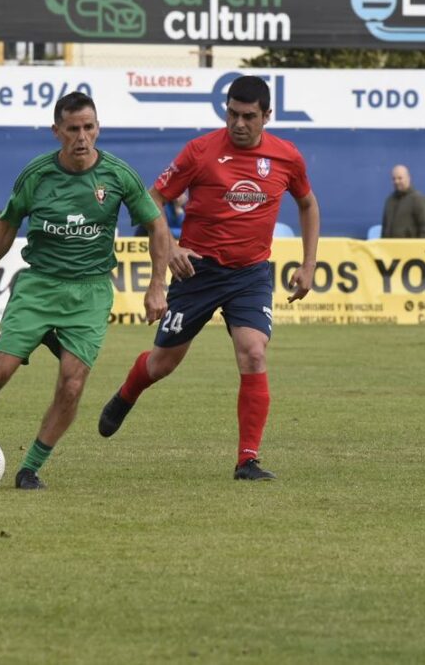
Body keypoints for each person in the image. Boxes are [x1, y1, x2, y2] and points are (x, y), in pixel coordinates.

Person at [0, 92, 170, 490]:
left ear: (98, 128)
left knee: (72, 383)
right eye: (72, 129)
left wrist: (156, 285)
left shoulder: (119, 175)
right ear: (57, 131)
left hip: (89, 293)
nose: (82, 137)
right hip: (38, 286)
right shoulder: (37, 175)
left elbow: (157, 226)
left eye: (89, 127)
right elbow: (5, 228)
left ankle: (30, 468)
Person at [97, 75, 321, 481]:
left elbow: (307, 203)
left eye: (248, 116)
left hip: (251, 274)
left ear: (267, 116)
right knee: (163, 364)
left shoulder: (287, 157)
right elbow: (153, 200)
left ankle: (247, 460)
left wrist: (309, 264)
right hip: (197, 270)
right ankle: (127, 393)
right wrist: (174, 248)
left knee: (253, 351)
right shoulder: (200, 152)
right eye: (232, 114)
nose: (238, 123)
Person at [380, 165, 425, 238]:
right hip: (389, 248)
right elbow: (384, 228)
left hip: (410, 248)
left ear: (408, 178)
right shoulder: (389, 200)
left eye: (400, 178)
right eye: (394, 179)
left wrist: (420, 248)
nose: (396, 181)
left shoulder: (418, 199)